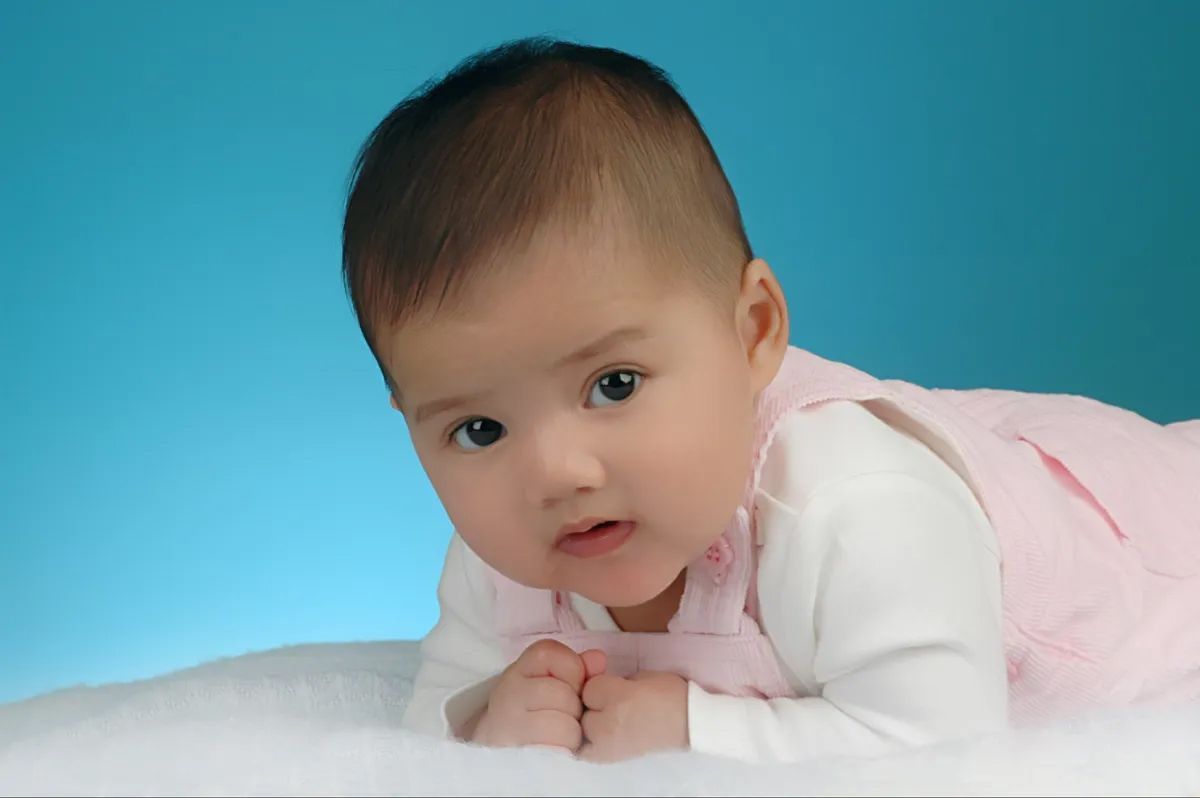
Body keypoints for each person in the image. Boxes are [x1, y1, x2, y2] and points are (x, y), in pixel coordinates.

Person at [339, 37, 1200, 764]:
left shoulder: (854, 507)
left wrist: (695, 728)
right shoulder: (495, 554)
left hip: (1144, 558)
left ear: (753, 332)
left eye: (614, 385)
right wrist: (489, 724)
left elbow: (945, 744)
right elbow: (433, 720)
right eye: (478, 428)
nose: (556, 471)